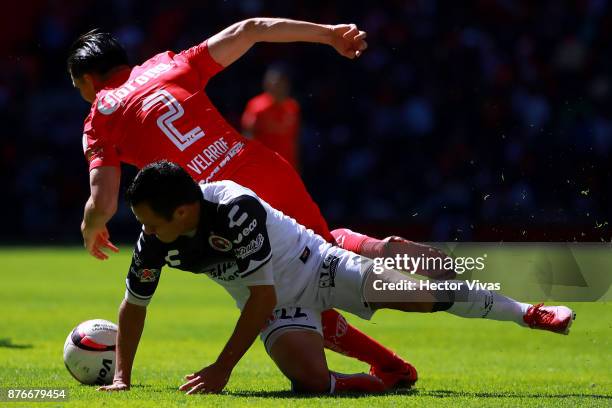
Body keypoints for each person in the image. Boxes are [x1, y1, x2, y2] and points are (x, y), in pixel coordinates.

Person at [68, 19, 426, 386]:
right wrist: (328, 34)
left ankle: (390, 365)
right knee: (325, 257)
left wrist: (91, 225)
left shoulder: (99, 117)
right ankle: (383, 251)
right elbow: (251, 28)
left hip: (223, 205)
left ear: (87, 81)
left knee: (293, 297)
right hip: (264, 168)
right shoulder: (168, 63)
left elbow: (104, 201)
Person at [99, 161, 575, 394]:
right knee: (310, 383)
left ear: (183, 210)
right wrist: (122, 377)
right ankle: (384, 378)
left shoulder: (233, 209)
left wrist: (222, 368)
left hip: (320, 266)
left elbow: (259, 296)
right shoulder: (156, 239)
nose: (145, 231)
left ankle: (527, 313)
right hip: (277, 308)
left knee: (422, 295)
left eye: (151, 221)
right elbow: (133, 304)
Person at [241, 65, 301, 170]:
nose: (277, 87)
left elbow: (294, 139)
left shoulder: (293, 107)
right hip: (264, 165)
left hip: (287, 165)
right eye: (273, 83)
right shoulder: (256, 106)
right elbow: (247, 136)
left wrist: (297, 165)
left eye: (280, 83)